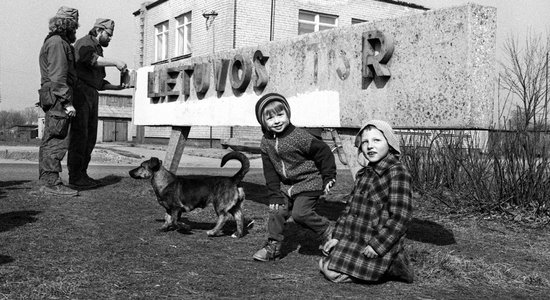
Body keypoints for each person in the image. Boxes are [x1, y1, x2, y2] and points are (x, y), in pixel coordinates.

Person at [319, 120, 414, 283]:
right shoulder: (363, 174)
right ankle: (383, 265)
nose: (370, 146)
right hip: (356, 237)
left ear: (389, 143)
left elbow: (401, 216)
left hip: (376, 241)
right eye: (365, 142)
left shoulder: (398, 173)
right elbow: (349, 209)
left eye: (376, 140)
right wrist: (337, 237)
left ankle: (394, 264)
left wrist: (377, 245)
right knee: (326, 260)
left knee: (330, 272)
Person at [252, 93, 337, 261]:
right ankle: (273, 246)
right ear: (262, 122)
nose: (276, 121)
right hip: (286, 186)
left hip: (309, 182)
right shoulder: (265, 142)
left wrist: (328, 176)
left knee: (300, 214)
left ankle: (327, 230)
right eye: (270, 118)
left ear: (288, 114)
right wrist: (274, 193)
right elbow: (269, 171)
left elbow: (324, 152)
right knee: (277, 210)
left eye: (280, 115)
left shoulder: (300, 136)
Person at [68, 18, 128, 187]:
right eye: (108, 35)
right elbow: (90, 59)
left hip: (91, 93)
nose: (110, 38)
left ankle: (82, 174)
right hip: (80, 92)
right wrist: (115, 62)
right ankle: (75, 177)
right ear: (99, 30)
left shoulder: (97, 49)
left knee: (90, 137)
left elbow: (99, 82)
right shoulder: (84, 43)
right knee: (80, 136)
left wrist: (117, 87)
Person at [37, 6, 80, 197]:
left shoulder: (55, 42)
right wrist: (66, 102)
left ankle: (48, 181)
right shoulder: (57, 43)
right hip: (58, 99)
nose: (75, 31)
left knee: (51, 138)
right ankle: (51, 183)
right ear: (68, 25)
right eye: (74, 27)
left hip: (53, 97)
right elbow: (58, 76)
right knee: (57, 139)